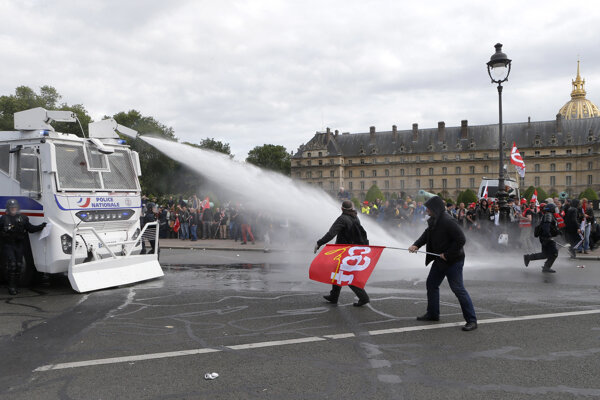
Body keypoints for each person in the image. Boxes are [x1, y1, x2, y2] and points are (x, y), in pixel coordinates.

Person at [408, 195, 477, 332]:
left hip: (454, 260)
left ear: (435, 208)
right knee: (431, 284)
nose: (427, 210)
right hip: (440, 260)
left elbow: (461, 240)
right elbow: (427, 234)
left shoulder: (448, 221)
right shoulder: (434, 220)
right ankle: (433, 314)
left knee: (458, 289)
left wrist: (448, 254)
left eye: (428, 208)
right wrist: (416, 245)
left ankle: (472, 320)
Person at [314, 200, 370, 307]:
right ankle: (334, 296)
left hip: (344, 251)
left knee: (347, 275)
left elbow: (331, 233)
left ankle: (363, 297)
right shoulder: (355, 217)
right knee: (338, 272)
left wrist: (319, 243)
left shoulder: (342, 219)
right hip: (354, 250)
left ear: (342, 209)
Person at [0, 199, 46, 295]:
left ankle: (16, 285)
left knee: (19, 265)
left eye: (15, 207)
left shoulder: (23, 218)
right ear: (8, 208)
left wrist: (42, 226)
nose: (13, 209)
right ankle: (11, 287)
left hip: (19, 245)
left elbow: (31, 229)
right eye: (11, 208)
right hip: (8, 244)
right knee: (12, 265)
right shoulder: (3, 219)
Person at [524, 204, 559, 273]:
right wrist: (548, 236)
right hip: (546, 237)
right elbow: (546, 227)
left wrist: (557, 232)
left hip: (544, 237)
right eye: (554, 208)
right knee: (554, 253)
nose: (556, 209)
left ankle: (528, 257)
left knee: (545, 254)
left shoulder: (547, 215)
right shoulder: (548, 215)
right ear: (551, 209)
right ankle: (546, 267)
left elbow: (549, 227)